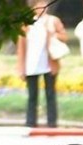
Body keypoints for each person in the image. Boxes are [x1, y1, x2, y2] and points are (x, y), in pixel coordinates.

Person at [17, 0, 68, 128]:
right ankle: (30, 123)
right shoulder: (26, 24)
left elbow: (64, 36)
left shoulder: (53, 21)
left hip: (49, 64)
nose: (42, 8)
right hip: (31, 65)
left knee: (50, 94)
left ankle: (52, 123)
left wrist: (53, 34)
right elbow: (21, 48)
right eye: (38, 5)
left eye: (43, 5)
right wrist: (21, 67)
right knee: (32, 96)